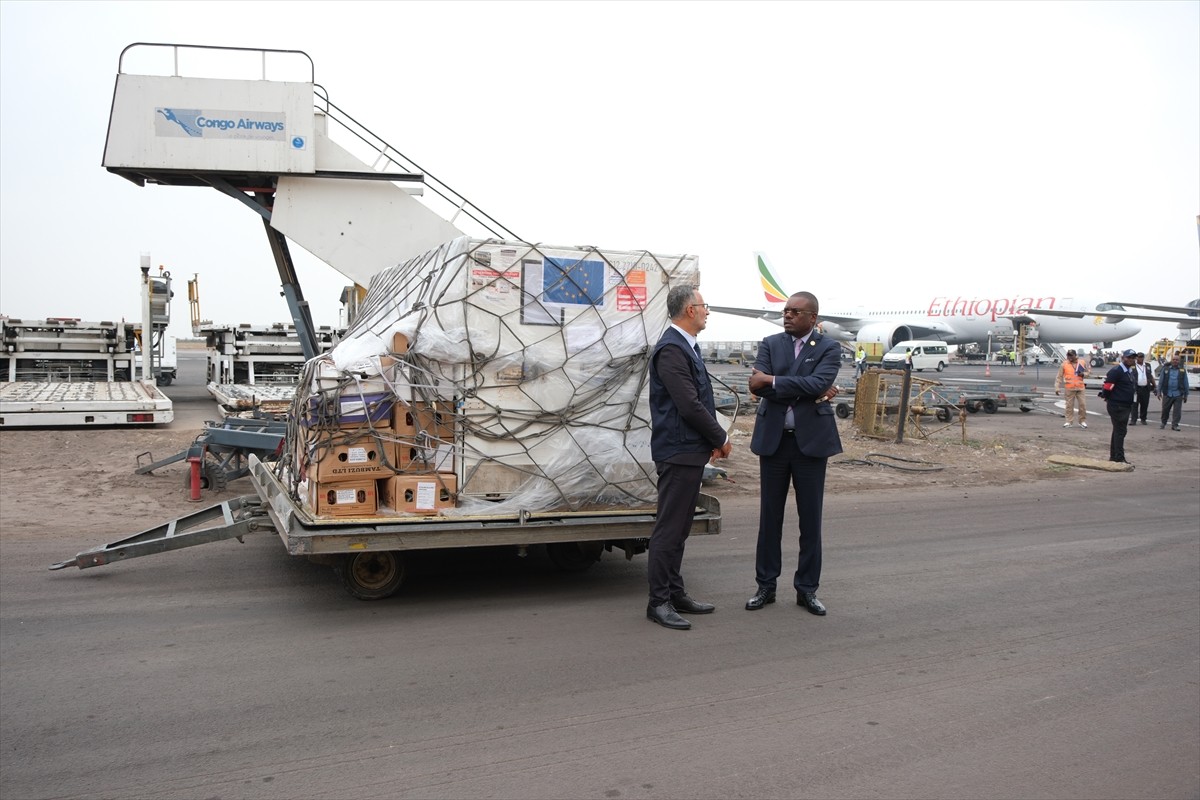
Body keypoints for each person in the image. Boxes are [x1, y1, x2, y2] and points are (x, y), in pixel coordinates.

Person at [745, 291, 842, 616]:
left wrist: (773, 380)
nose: (787, 316)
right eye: (785, 311)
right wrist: (801, 386)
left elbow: (819, 383)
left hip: (811, 444)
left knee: (810, 520)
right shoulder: (770, 343)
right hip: (774, 441)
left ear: (812, 318)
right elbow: (755, 387)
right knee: (769, 519)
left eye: (795, 312)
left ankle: (807, 590)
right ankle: (766, 586)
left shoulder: (829, 347)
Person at [644, 285, 731, 631]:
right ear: (689, 310)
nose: (708, 311)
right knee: (669, 529)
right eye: (704, 305)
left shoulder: (687, 347)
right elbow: (689, 404)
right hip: (678, 451)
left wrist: (707, 442)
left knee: (680, 528)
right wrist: (720, 437)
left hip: (689, 449)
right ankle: (658, 602)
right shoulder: (671, 350)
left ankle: (675, 592)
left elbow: (697, 401)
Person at [1103, 348, 1138, 464]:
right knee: (1120, 431)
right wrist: (1107, 397)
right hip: (1118, 405)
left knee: (1118, 431)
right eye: (1129, 357)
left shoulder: (1128, 371)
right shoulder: (1117, 371)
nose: (1131, 359)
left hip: (1124, 405)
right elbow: (1108, 386)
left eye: (1133, 358)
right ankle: (1119, 457)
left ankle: (1114, 456)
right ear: (1123, 358)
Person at [1054, 349, 1089, 429]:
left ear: (1075, 355)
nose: (1069, 357)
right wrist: (1057, 387)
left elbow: (1088, 373)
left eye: (1071, 355)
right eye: (1068, 355)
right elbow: (1059, 376)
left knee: (1082, 405)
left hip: (1080, 387)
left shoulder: (1082, 362)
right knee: (1069, 406)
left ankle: (1082, 421)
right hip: (1069, 388)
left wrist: (1083, 374)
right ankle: (1069, 421)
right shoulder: (1064, 364)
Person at [1156, 353, 1190, 431]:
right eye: (1174, 359)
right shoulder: (1166, 369)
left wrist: (1186, 395)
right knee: (1165, 409)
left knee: (1177, 411)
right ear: (1171, 360)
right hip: (1167, 393)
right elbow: (1161, 381)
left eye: (1177, 360)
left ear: (1179, 361)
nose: (1175, 361)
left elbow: (1186, 383)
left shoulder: (1182, 371)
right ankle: (1163, 423)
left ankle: (1175, 425)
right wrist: (1158, 392)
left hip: (1178, 394)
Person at [1128, 352, 1156, 425]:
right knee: (1134, 404)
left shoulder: (1147, 365)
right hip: (1136, 389)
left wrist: (1155, 385)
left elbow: (1150, 376)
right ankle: (1133, 420)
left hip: (1145, 388)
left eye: (1141, 357)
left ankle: (1143, 419)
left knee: (1145, 404)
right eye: (1139, 357)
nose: (1140, 358)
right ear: (1136, 358)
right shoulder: (1132, 366)